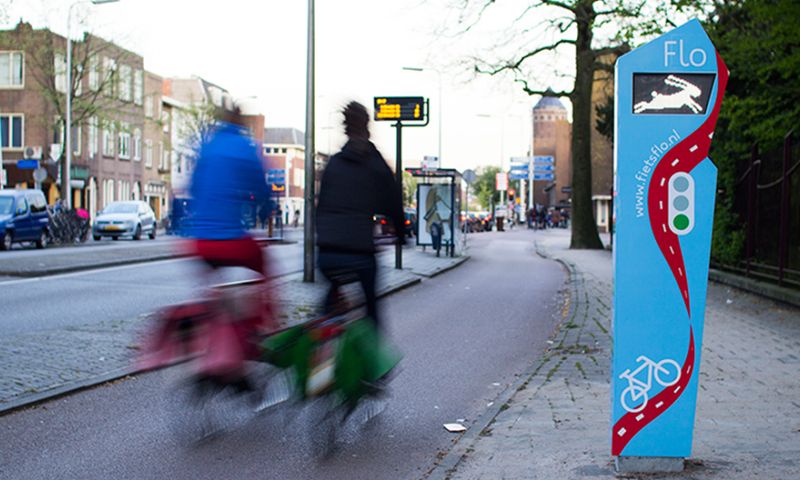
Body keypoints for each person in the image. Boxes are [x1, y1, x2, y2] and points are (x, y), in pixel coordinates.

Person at [186, 104, 274, 383]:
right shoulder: (245, 147)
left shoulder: (208, 147)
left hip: (199, 242)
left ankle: (213, 336)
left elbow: (193, 187)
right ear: (240, 121)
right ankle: (257, 331)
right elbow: (260, 188)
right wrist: (264, 210)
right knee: (263, 266)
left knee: (216, 292)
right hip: (230, 239)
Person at [316, 101, 404, 331]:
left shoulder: (333, 163)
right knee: (371, 308)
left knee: (332, 292)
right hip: (360, 254)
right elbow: (393, 203)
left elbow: (321, 206)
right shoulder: (375, 165)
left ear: (346, 127)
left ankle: (323, 333)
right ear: (367, 126)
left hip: (327, 254)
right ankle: (374, 362)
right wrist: (402, 236)